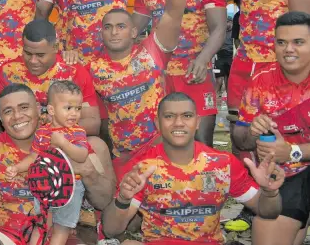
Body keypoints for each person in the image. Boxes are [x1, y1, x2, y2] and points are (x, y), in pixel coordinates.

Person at [0, 83, 117, 245]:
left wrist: (88, 172)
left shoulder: (70, 139)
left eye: (24, 108)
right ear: (0, 118)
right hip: (11, 236)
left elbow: (103, 201)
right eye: (8, 111)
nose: (17, 116)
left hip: (64, 237)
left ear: (40, 111)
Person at [101, 92, 286, 245]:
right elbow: (111, 229)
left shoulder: (222, 163)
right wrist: (123, 199)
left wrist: (270, 193)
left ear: (197, 122)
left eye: (187, 116)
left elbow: (268, 212)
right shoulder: (143, 167)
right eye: (169, 117)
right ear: (157, 124)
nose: (179, 123)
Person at [89, 0, 190, 160]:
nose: (114, 32)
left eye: (121, 26)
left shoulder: (152, 51)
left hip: (162, 153)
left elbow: (173, 13)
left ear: (134, 30)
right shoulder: (94, 69)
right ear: (101, 34)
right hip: (123, 156)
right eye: (108, 27)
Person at [133, 0, 227, 146]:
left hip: (195, 73)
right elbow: (132, 31)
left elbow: (219, 28)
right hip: (160, 76)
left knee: (202, 142)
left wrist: (203, 60)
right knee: (162, 140)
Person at [232, 11, 310, 245]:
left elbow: (291, 151)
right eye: (282, 42)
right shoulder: (261, 81)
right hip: (286, 175)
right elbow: (240, 140)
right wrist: (252, 132)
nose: (289, 49)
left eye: (298, 42)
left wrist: (292, 151)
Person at [0, 19, 100, 150]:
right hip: (19, 143)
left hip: (59, 143)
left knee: (96, 145)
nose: (33, 61)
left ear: (55, 48)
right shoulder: (9, 71)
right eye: (27, 53)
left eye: (40, 55)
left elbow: (93, 123)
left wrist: (51, 133)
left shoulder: (74, 71)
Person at [6, 81, 90, 245]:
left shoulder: (78, 132)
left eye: (78, 108)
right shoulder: (43, 132)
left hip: (71, 187)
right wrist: (17, 167)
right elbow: (34, 157)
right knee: (42, 223)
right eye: (68, 108)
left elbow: (82, 155)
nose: (74, 113)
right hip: (45, 185)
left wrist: (64, 144)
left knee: (62, 227)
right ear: (51, 110)